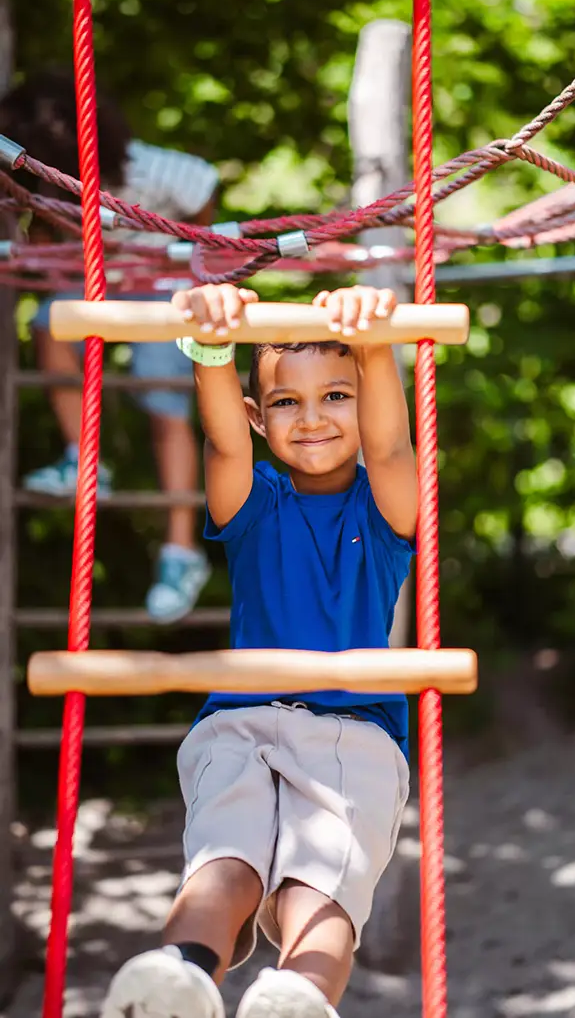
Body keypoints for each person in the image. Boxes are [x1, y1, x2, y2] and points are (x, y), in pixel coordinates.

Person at [99, 282, 417, 1018]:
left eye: (336, 395)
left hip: (352, 731)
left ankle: (298, 996)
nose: (310, 418)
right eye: (285, 402)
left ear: (363, 401)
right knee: (224, 863)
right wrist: (214, 347)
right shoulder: (251, 504)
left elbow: (394, 441)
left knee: (321, 885)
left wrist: (374, 341)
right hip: (239, 720)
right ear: (257, 416)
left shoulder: (386, 504)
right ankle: (177, 979)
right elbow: (220, 441)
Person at [0, 70, 216, 622]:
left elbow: (203, 184)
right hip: (96, 280)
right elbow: (36, 242)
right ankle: (84, 456)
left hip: (158, 284)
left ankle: (180, 550)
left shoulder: (149, 170)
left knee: (164, 403)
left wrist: (184, 252)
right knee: (50, 324)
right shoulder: (43, 183)